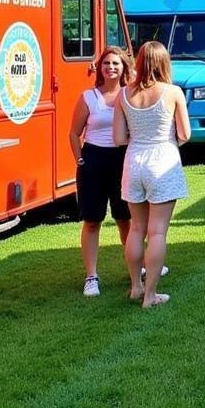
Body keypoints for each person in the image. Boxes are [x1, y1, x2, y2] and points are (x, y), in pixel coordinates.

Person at [114, 41, 191, 308]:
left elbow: (118, 137)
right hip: (163, 159)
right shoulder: (173, 92)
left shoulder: (123, 94)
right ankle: (150, 295)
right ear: (164, 63)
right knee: (157, 232)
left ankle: (136, 286)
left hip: (133, 160)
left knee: (136, 228)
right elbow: (185, 133)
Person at [69, 47, 132, 297]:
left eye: (116, 63)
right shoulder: (88, 97)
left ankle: (135, 267)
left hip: (122, 159)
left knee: (125, 219)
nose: (111, 67)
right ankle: (91, 276)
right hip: (94, 160)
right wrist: (80, 160)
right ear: (100, 68)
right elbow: (73, 133)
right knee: (92, 221)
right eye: (106, 63)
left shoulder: (130, 95)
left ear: (124, 67)